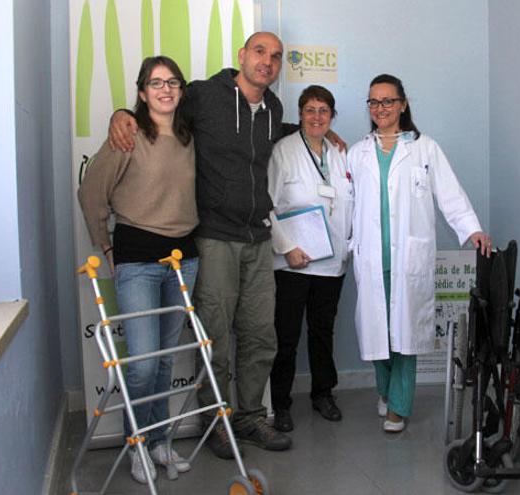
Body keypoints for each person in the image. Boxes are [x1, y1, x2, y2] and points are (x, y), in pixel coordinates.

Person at [107, 32, 292, 459]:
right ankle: (217, 418)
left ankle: (249, 416)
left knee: (260, 334)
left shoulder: (274, 109)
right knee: (216, 338)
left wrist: (320, 133)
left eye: (276, 57)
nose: (267, 61)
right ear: (242, 56)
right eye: (260, 52)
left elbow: (268, 144)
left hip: (258, 237)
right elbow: (158, 109)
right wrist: (121, 112)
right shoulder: (205, 95)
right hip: (213, 237)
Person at [347, 74, 492, 433]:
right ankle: (385, 391)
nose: (381, 108)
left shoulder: (424, 149)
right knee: (378, 331)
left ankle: (398, 406)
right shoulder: (357, 152)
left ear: (403, 104)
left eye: (388, 101)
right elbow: (346, 207)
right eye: (374, 102)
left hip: (408, 260)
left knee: (405, 334)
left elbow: (450, 194)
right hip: (371, 258)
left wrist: (471, 228)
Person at [77, 56, 197, 483]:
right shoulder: (127, 136)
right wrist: (105, 244)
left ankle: (161, 441)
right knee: (143, 363)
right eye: (156, 82)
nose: (166, 89)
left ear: (182, 90)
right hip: (138, 261)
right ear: (142, 92)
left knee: (165, 362)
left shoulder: (189, 136)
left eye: (173, 82)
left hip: (185, 258)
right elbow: (91, 191)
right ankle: (137, 444)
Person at [267, 86, 353, 432]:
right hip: (294, 262)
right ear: (300, 114)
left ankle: (322, 393)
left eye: (323, 111)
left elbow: (349, 202)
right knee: (286, 335)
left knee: (322, 332)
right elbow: (267, 206)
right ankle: (281, 402)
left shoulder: (340, 153)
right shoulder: (283, 151)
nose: (317, 117)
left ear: (332, 116)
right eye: (310, 110)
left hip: (331, 264)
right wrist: (287, 247)